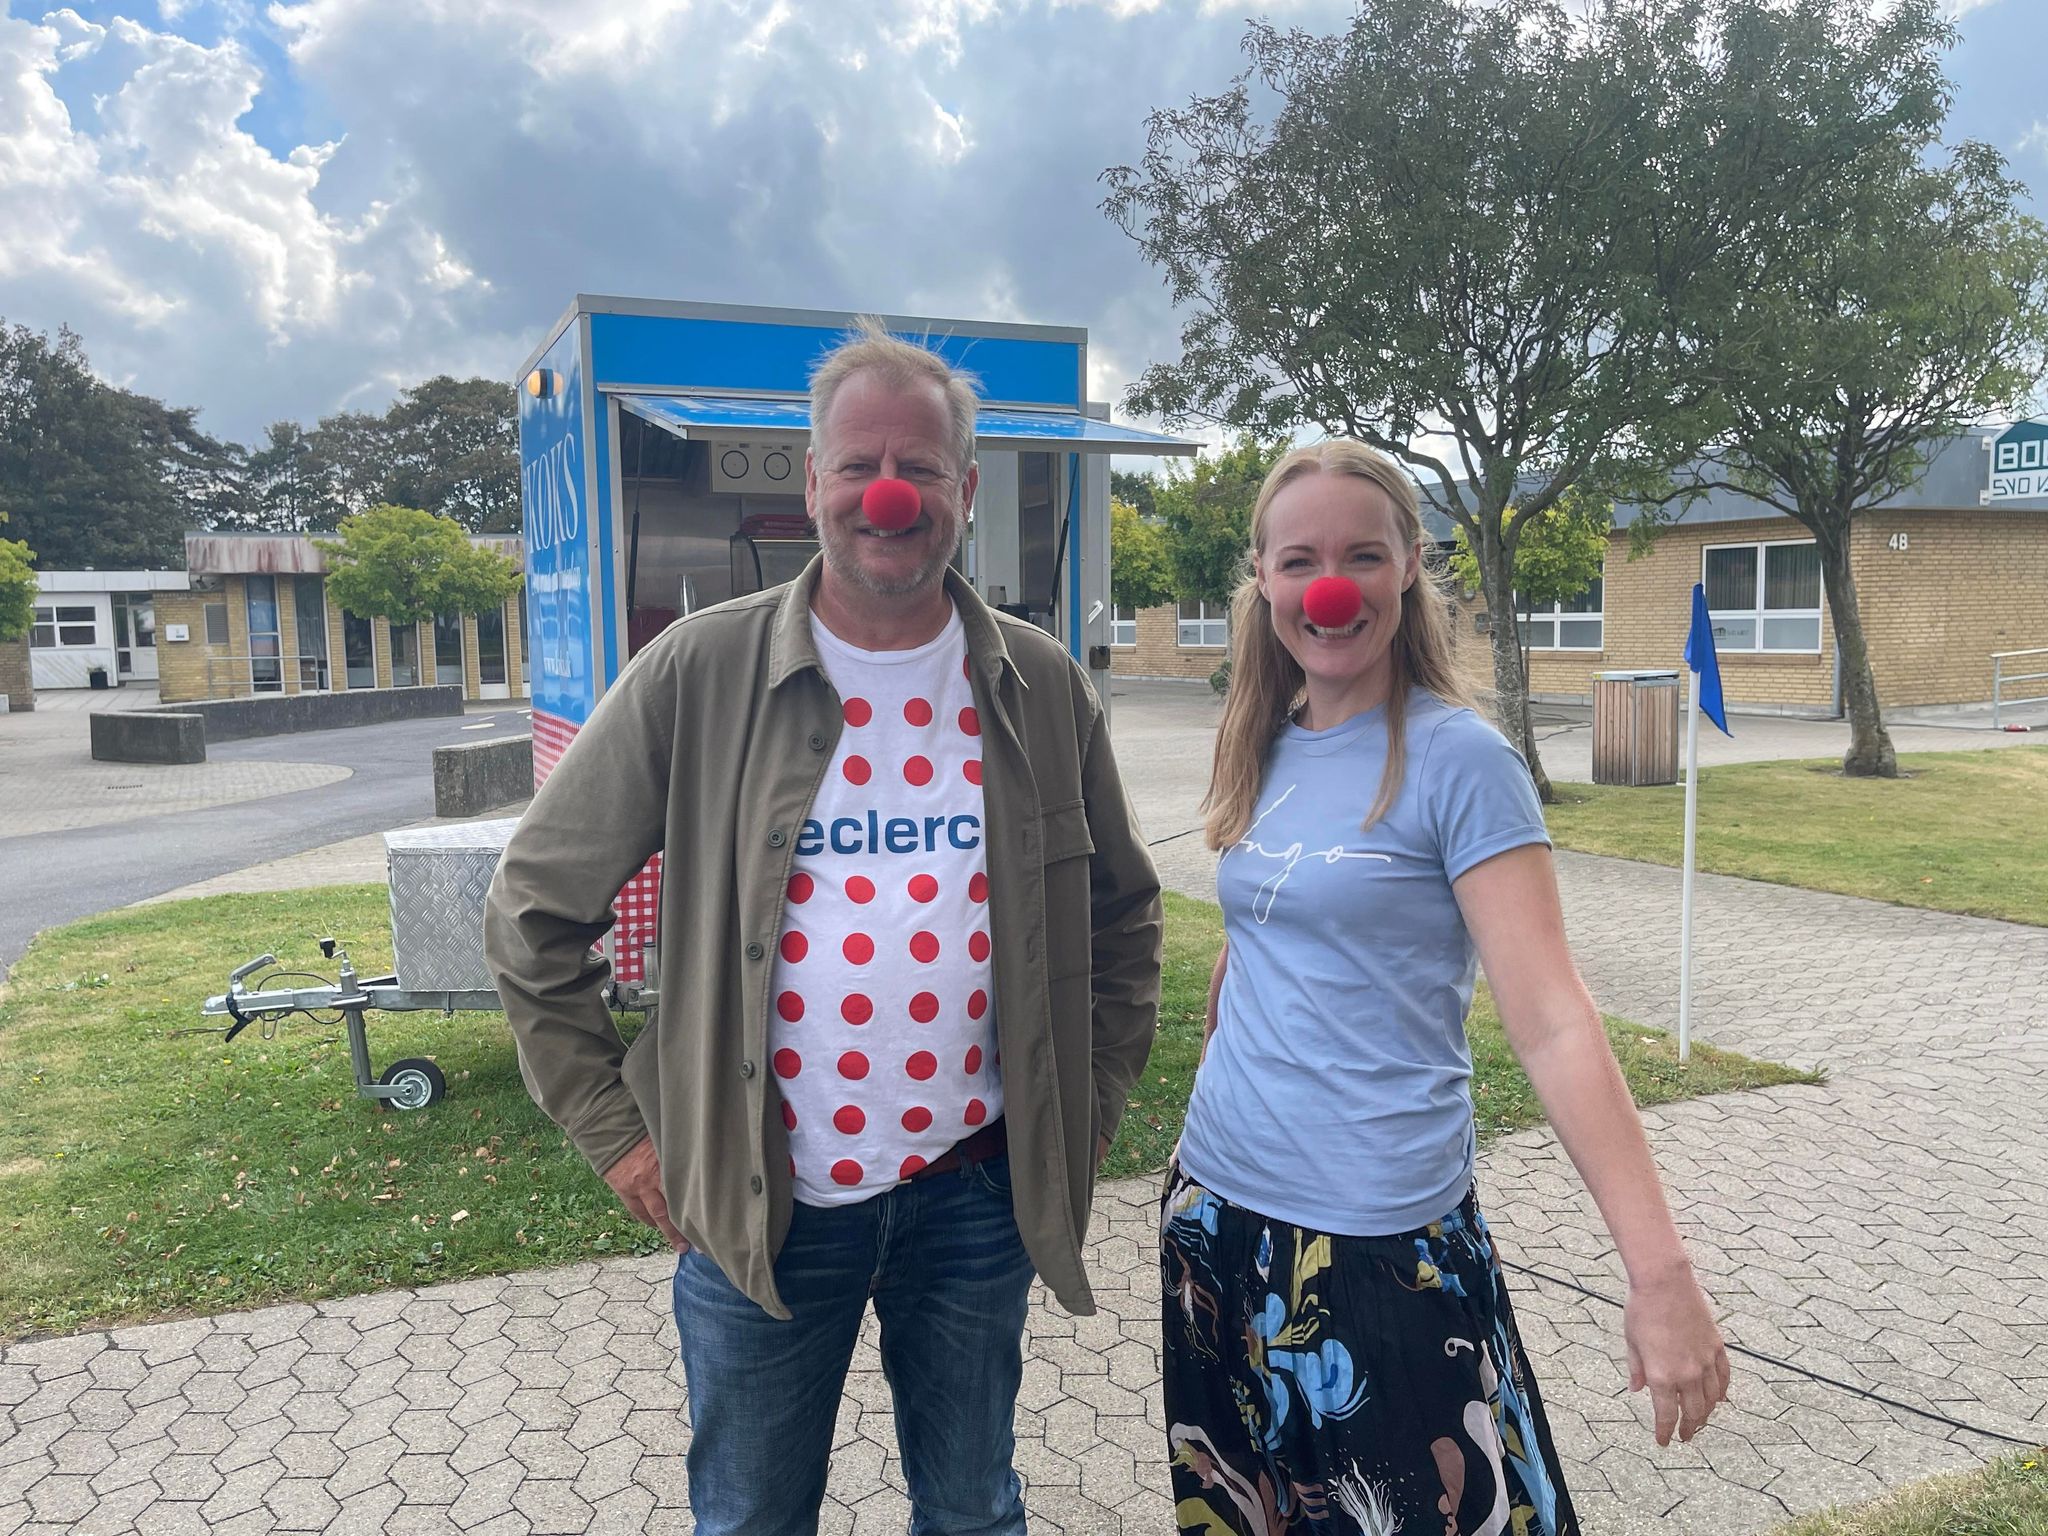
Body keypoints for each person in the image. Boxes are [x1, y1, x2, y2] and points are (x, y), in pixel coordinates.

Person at [484, 318, 1163, 1536]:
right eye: (855, 465)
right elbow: (533, 913)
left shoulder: (1041, 683)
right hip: (761, 1200)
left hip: (974, 1197)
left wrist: (1085, 1109)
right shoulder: (696, 673)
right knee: (751, 1520)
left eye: (918, 466)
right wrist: (622, 1138)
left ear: (964, 486)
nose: (885, 493)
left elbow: (1121, 917)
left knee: (972, 1511)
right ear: (812, 484)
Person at [1158, 441, 1729, 1536]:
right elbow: (1259, 939)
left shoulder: (1459, 760)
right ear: (1265, 579)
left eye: (1362, 555)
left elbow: (1553, 1021)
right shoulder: (1260, 743)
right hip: (1214, 1219)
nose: (1330, 587)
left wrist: (1659, 1275)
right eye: (1300, 560)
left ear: (1410, 564)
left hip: (1371, 1250)